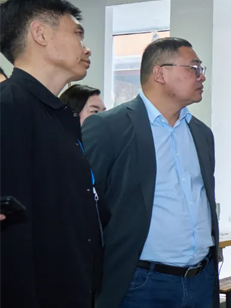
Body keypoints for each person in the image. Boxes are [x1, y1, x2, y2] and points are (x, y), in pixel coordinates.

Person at [82, 37, 219, 308]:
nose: (201, 76)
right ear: (160, 73)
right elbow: (85, 209)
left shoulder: (201, 133)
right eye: (193, 68)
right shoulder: (109, 128)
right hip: (141, 282)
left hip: (201, 279)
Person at [0, 0, 102, 307]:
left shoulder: (60, 116)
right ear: (40, 34)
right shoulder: (9, 107)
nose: (86, 48)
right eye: (77, 34)